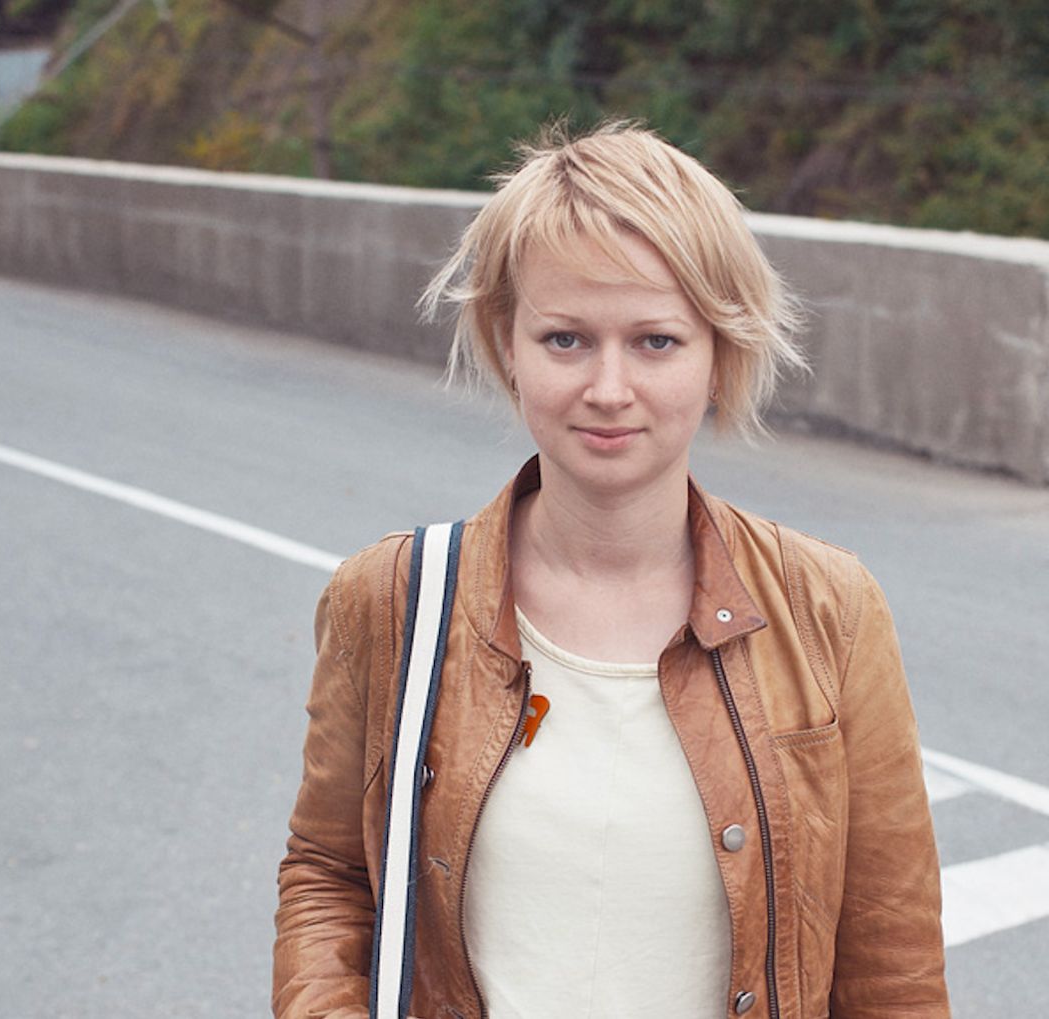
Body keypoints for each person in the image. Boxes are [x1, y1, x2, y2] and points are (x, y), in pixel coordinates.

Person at [273, 122, 949, 1019]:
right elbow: (329, 872)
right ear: (506, 345)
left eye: (657, 341)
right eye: (564, 339)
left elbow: (891, 956)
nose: (608, 387)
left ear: (720, 353)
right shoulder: (393, 599)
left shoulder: (827, 608)